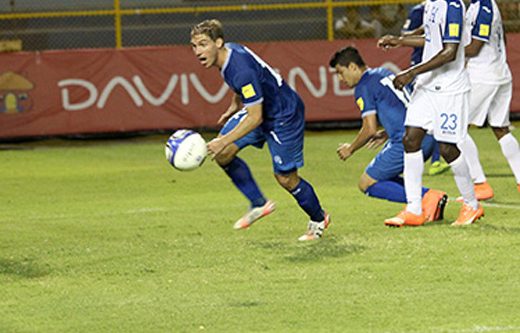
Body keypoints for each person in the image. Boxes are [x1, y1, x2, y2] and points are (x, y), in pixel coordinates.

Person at [190, 19, 330, 241]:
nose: (198, 51)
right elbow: (247, 84)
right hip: (262, 108)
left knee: (285, 178)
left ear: (218, 43)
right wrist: (236, 104)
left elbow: (255, 117)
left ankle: (319, 218)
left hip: (283, 116)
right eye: (194, 46)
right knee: (224, 155)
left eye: (203, 44)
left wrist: (223, 140)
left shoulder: (240, 70)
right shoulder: (230, 52)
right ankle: (258, 203)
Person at [377, 0, 482, 227]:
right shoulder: (431, 1)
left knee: (447, 149)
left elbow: (449, 52)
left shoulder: (453, 5)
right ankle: (414, 209)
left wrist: (411, 72)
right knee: (410, 139)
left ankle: (472, 205)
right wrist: (400, 40)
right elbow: (431, 38)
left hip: (449, 88)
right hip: (428, 86)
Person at [329, 46, 448, 222]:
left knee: (366, 183)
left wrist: (350, 148)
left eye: (341, 72)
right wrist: (387, 131)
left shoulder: (363, 86)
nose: (340, 78)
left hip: (408, 141)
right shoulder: (383, 73)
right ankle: (427, 201)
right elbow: (403, 105)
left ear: (353, 66)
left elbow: (369, 128)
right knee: (385, 176)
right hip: (425, 135)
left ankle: (427, 198)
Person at [458, 0, 520, 199]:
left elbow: (474, 48)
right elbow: (502, 39)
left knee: (456, 129)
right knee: (501, 130)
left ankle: (480, 184)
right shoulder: (478, 5)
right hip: (500, 74)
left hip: (484, 77)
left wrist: (447, 52)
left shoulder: (483, 8)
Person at [401, 1, 450, 176]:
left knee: (437, 115)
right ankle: (429, 160)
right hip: (422, 67)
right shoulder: (419, 11)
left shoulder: (445, 8)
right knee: (428, 116)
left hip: (436, 67)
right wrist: (424, 30)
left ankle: (435, 160)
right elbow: (406, 34)